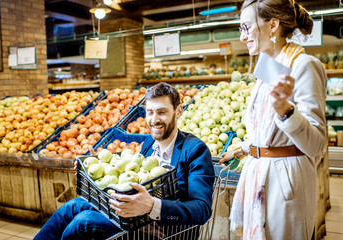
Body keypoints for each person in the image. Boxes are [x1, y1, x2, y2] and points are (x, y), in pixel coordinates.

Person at [34, 82, 215, 240]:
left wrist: (153, 207)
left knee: (84, 222)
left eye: (162, 112)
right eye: (150, 112)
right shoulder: (149, 142)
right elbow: (133, 179)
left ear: (179, 111)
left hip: (165, 231)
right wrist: (96, 169)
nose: (154, 119)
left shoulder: (195, 150)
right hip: (135, 221)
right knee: (72, 207)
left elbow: (202, 209)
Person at [218, 0, 327, 239]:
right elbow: (264, 133)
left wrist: (286, 111)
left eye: (246, 27)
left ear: (273, 25)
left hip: (285, 181)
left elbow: (317, 144)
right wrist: (242, 149)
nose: (242, 36)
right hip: (259, 172)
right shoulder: (266, 69)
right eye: (241, 29)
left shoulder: (304, 65)